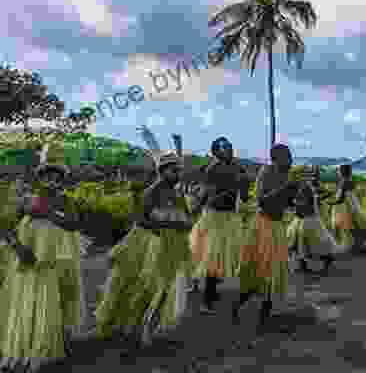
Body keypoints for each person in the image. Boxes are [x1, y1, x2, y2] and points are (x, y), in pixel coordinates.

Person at [0, 151, 88, 372]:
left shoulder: (64, 200)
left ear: (61, 181)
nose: (52, 181)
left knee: (54, 296)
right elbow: (7, 226)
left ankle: (49, 342)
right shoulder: (27, 199)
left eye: (57, 178)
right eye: (48, 177)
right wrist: (18, 248)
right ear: (40, 179)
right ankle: (27, 344)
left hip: (54, 255)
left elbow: (74, 224)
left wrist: (50, 213)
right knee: (29, 296)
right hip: (27, 252)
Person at [234, 144, 299, 339]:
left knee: (274, 274)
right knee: (260, 273)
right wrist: (285, 189)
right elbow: (262, 201)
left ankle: (264, 319)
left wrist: (294, 196)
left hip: (277, 227)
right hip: (263, 227)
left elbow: (285, 201)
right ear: (276, 158)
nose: (291, 160)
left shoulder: (286, 175)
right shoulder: (266, 172)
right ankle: (238, 308)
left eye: (291, 156)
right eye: (287, 157)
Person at [132, 152, 195, 346]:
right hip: (157, 245)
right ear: (162, 171)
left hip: (176, 246)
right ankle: (145, 328)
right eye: (172, 170)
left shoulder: (178, 195)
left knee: (167, 288)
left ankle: (150, 326)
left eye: (178, 170)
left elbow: (187, 219)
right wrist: (161, 228)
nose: (176, 174)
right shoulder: (152, 192)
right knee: (156, 288)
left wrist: (182, 223)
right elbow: (141, 219)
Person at [188, 137, 250, 314]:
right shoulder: (213, 168)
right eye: (223, 148)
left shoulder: (238, 168)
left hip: (230, 217)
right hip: (214, 217)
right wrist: (197, 206)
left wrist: (243, 185)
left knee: (221, 256)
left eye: (229, 147)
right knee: (212, 257)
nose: (227, 151)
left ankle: (210, 292)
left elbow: (244, 196)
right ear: (216, 151)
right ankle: (206, 300)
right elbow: (208, 194)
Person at [95, 180, 157, 340]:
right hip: (138, 240)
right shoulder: (140, 203)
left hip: (148, 241)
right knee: (120, 282)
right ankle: (112, 323)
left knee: (138, 285)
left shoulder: (151, 196)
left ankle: (129, 323)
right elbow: (139, 221)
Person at [286, 165, 344, 275]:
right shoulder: (302, 186)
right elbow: (301, 202)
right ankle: (303, 265)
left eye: (296, 176)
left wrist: (294, 204)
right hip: (302, 218)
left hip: (309, 219)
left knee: (317, 242)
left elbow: (306, 203)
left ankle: (326, 262)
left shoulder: (306, 187)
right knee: (299, 242)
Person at [328, 164, 366, 252]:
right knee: (357, 225)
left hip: (345, 206)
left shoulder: (343, 183)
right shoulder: (349, 181)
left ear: (342, 172)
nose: (338, 172)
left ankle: (336, 246)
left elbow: (340, 199)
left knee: (342, 225)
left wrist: (330, 203)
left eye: (339, 170)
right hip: (352, 205)